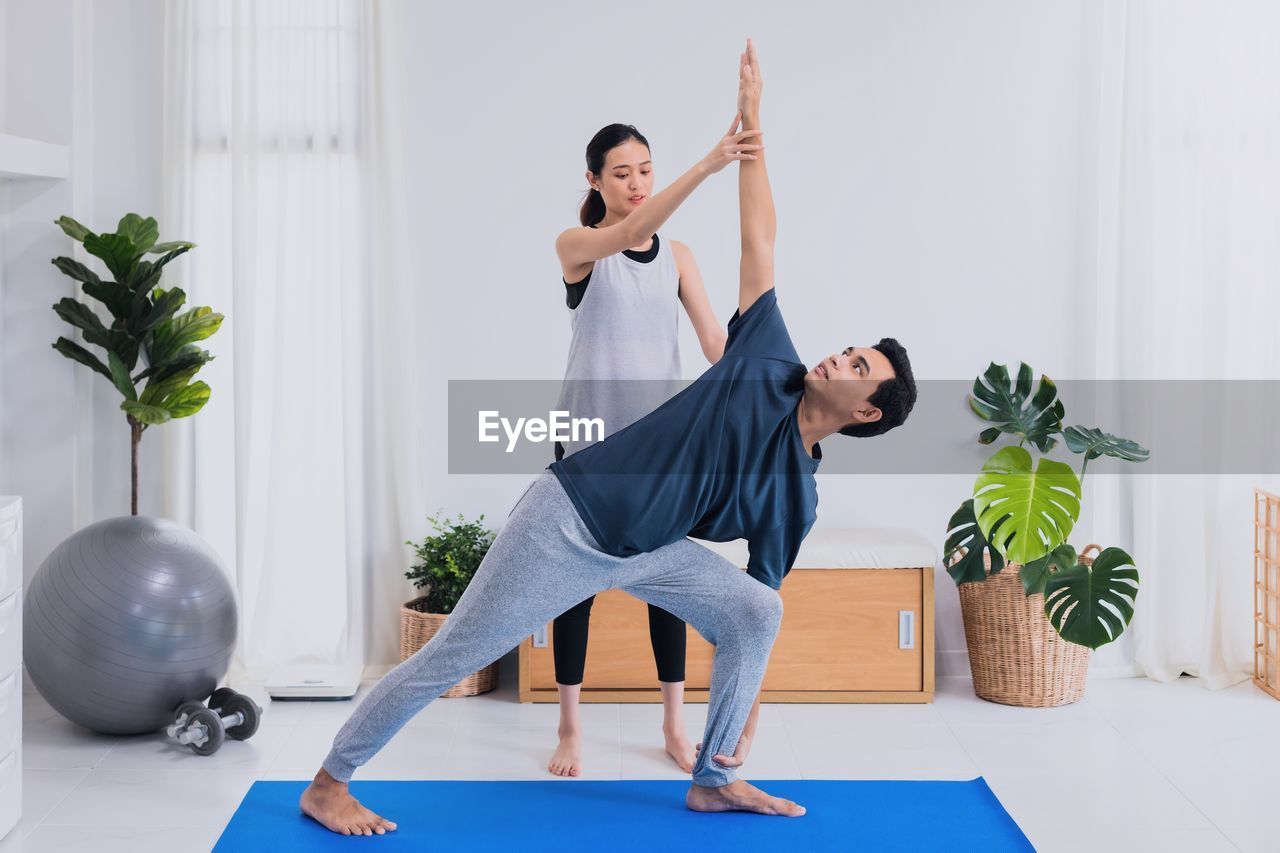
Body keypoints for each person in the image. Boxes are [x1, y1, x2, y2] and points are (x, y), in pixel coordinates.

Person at [300, 38, 917, 836]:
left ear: (865, 410)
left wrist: (742, 733)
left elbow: (757, 605)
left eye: (858, 363)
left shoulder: (796, 493)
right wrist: (752, 130)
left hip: (648, 546)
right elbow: (762, 237)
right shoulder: (767, 355)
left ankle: (713, 777)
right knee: (451, 654)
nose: (840, 353)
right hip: (570, 516)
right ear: (595, 180)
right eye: (851, 346)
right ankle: (328, 781)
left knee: (759, 612)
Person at [549, 120, 736, 778]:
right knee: (576, 590)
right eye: (623, 173)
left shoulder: (680, 256)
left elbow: (714, 340)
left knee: (668, 589)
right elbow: (628, 235)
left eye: (646, 171)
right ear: (594, 179)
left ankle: (673, 723)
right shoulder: (581, 246)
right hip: (587, 450)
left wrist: (762, 368)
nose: (636, 184)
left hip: (659, 455)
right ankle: (570, 726)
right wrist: (711, 163)